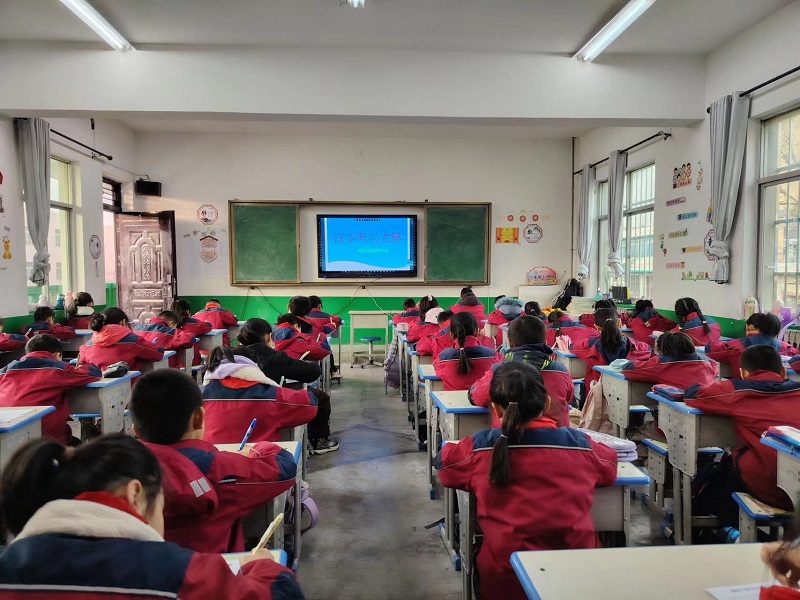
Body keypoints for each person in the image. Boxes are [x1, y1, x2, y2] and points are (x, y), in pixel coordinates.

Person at [0, 434, 306, 599]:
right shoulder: (175, 572)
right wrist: (263, 566)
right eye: (161, 502)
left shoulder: (10, 566)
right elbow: (281, 594)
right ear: (134, 493)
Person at [436, 363, 617, 600]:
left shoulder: (481, 448)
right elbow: (610, 468)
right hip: (576, 579)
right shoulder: (580, 446)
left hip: (506, 580)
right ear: (547, 404)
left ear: (496, 409)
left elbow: (445, 467)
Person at [130, 370, 297, 553]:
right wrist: (258, 448)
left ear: (135, 430)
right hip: (218, 568)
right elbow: (284, 469)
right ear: (199, 418)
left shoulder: (120, 475)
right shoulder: (220, 469)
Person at [686, 345, 800, 531]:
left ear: (743, 373)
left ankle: (727, 532)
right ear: (782, 371)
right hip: (796, 486)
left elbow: (694, 395)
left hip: (769, 485)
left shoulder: (738, 391)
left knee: (724, 473)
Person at [201, 347, 337, 454]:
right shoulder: (271, 396)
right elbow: (310, 405)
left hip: (210, 468)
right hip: (259, 469)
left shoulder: (200, 396)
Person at [470, 316, 573, 428]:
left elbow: (478, 396)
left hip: (509, 435)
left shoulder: (498, 372)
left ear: (510, 343)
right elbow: (569, 398)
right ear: (544, 341)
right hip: (557, 435)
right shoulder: (562, 371)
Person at [0, 334, 101, 444]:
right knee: (80, 447)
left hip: (7, 439)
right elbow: (94, 373)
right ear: (57, 355)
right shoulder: (58, 368)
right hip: (46, 438)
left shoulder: (4, 371)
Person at [572, 307, 652, 391]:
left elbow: (573, 347)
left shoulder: (589, 346)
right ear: (619, 323)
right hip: (627, 392)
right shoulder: (638, 347)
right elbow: (649, 350)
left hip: (598, 393)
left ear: (596, 327)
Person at [708, 312, 799, 377]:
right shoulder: (785, 347)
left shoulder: (736, 345)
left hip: (745, 391)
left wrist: (728, 341)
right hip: (776, 393)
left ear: (751, 327)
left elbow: (710, 350)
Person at [234, 318, 322, 383]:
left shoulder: (231, 357)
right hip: (267, 401)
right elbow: (313, 372)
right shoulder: (276, 358)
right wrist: (308, 361)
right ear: (268, 337)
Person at [621, 331, 718, 389]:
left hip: (684, 405)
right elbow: (714, 370)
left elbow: (629, 369)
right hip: (706, 403)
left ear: (662, 350)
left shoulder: (661, 363)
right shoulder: (708, 363)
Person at [79, 308, 165, 372]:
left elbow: (81, 364)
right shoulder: (133, 341)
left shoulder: (88, 345)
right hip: (130, 387)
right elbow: (158, 353)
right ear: (122, 322)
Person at [433, 312, 500, 390]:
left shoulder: (443, 358)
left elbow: (436, 369)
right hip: (481, 397)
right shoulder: (493, 356)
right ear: (477, 331)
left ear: (451, 334)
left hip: (450, 398)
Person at [172, 298, 213, 366]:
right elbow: (208, 326)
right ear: (188, 311)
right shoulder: (194, 324)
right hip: (192, 363)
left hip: (172, 365)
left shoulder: (168, 325)